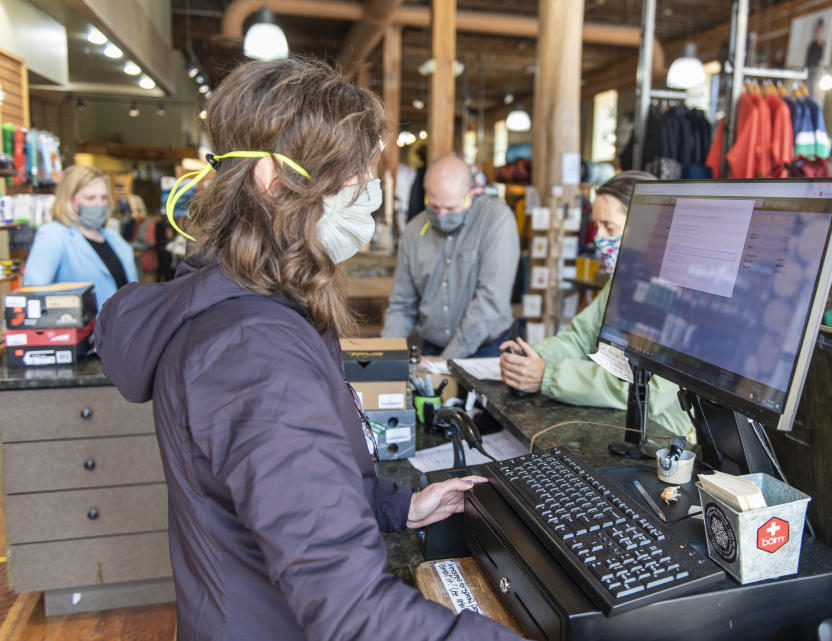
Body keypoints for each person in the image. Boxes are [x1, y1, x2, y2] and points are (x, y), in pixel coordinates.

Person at [94, 59, 523, 641]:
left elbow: (290, 495)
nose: (367, 195)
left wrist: (403, 506)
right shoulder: (252, 351)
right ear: (275, 180)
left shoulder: (252, 305)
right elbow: (355, 613)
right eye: (355, 177)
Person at [498, 171, 694, 442]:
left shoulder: (682, 294)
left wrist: (549, 376)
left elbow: (646, 392)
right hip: (616, 427)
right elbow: (581, 339)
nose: (598, 238)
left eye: (609, 227)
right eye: (596, 227)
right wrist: (530, 357)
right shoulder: (623, 280)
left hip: (662, 442)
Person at [382, 155, 520, 362]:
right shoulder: (413, 231)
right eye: (434, 206)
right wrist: (384, 357)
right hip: (432, 348)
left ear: (471, 194)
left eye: (451, 208)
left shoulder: (496, 220)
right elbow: (402, 305)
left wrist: (448, 359)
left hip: (487, 350)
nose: (441, 216)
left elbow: (491, 299)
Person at [23, 165, 138, 310]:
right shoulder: (53, 236)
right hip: (84, 330)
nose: (99, 204)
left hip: (127, 328)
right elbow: (33, 293)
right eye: (90, 198)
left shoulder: (115, 239)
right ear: (70, 200)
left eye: (103, 198)